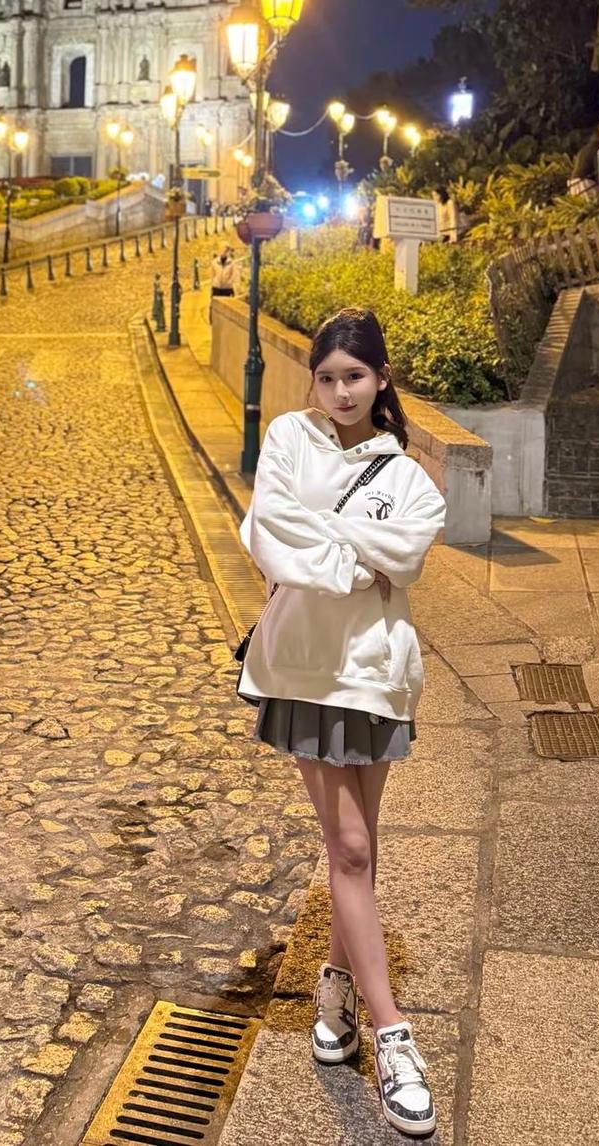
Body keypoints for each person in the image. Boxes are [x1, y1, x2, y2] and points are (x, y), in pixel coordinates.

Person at [236, 307, 445, 1137]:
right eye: (326, 377)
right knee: (350, 848)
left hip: (377, 672)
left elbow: (411, 553)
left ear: (380, 378)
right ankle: (393, 1037)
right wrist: (361, 554)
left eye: (354, 376)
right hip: (304, 668)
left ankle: (335, 989)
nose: (340, 390)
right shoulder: (290, 437)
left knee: (358, 847)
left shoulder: (408, 475)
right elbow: (270, 532)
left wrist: (328, 541)